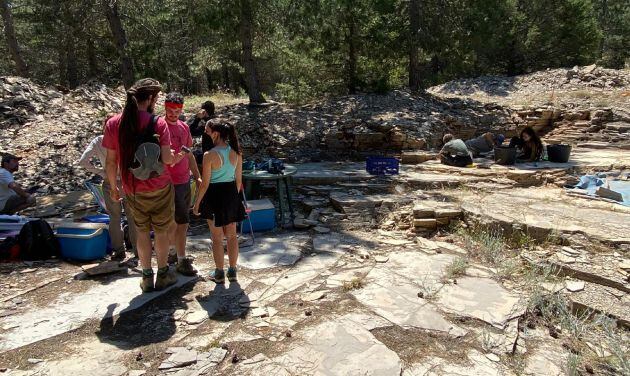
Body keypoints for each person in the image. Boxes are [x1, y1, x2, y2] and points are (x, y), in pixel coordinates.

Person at [103, 78, 186, 293]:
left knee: (141, 232)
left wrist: (113, 187)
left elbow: (111, 161)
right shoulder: (158, 123)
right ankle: (164, 274)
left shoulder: (114, 123)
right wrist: (177, 157)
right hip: (159, 186)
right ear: (149, 98)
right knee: (161, 231)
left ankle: (147, 277)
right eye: (156, 98)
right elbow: (167, 159)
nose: (156, 102)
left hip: (132, 187)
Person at [78, 115, 138, 260]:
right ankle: (138, 250)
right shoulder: (126, 139)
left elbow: (83, 161)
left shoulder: (99, 140)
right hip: (127, 181)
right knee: (133, 217)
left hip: (109, 181)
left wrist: (102, 172)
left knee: (114, 218)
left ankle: (119, 251)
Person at [192, 120, 245, 284]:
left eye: (207, 131)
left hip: (214, 196)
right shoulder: (236, 152)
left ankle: (219, 273)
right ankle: (233, 271)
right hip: (231, 195)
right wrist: (233, 201)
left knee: (216, 238)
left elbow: (205, 183)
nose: (206, 134)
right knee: (232, 236)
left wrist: (196, 203)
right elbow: (238, 181)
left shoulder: (209, 155)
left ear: (216, 133)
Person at [162, 92, 202, 276]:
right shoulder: (159, 126)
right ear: (164, 107)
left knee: (183, 221)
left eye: (176, 110)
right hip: (165, 182)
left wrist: (197, 175)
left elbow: (189, 153)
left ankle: (180, 258)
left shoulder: (184, 127)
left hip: (183, 181)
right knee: (169, 223)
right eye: (170, 110)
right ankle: (171, 254)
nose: (173, 114)